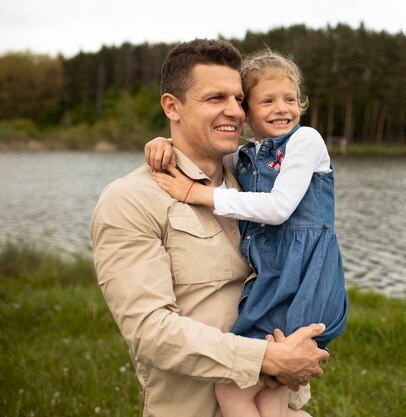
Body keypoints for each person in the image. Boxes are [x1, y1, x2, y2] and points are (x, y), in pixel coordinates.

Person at [90, 39, 329, 417]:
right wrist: (265, 358)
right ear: (172, 107)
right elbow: (151, 333)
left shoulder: (253, 183)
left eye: (238, 99)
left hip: (277, 406)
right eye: (216, 98)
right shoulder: (131, 199)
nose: (233, 111)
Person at [146, 49, 348, 417]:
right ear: (248, 112)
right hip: (275, 278)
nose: (282, 108)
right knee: (272, 390)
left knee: (231, 390)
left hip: (301, 277)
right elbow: (198, 154)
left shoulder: (306, 141)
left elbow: (278, 208)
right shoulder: (247, 154)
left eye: (290, 99)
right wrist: (163, 145)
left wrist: (200, 194)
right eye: (266, 101)